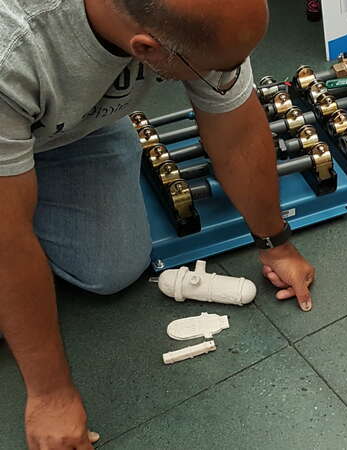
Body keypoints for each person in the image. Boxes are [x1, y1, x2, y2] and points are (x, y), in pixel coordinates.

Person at [0, 0, 316, 447]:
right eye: (220, 68)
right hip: (14, 103)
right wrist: (50, 395)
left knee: (113, 268)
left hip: (74, 129)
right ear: (146, 48)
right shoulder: (11, 51)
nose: (230, 74)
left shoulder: (201, 20)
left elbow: (238, 131)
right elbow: (7, 239)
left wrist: (275, 241)